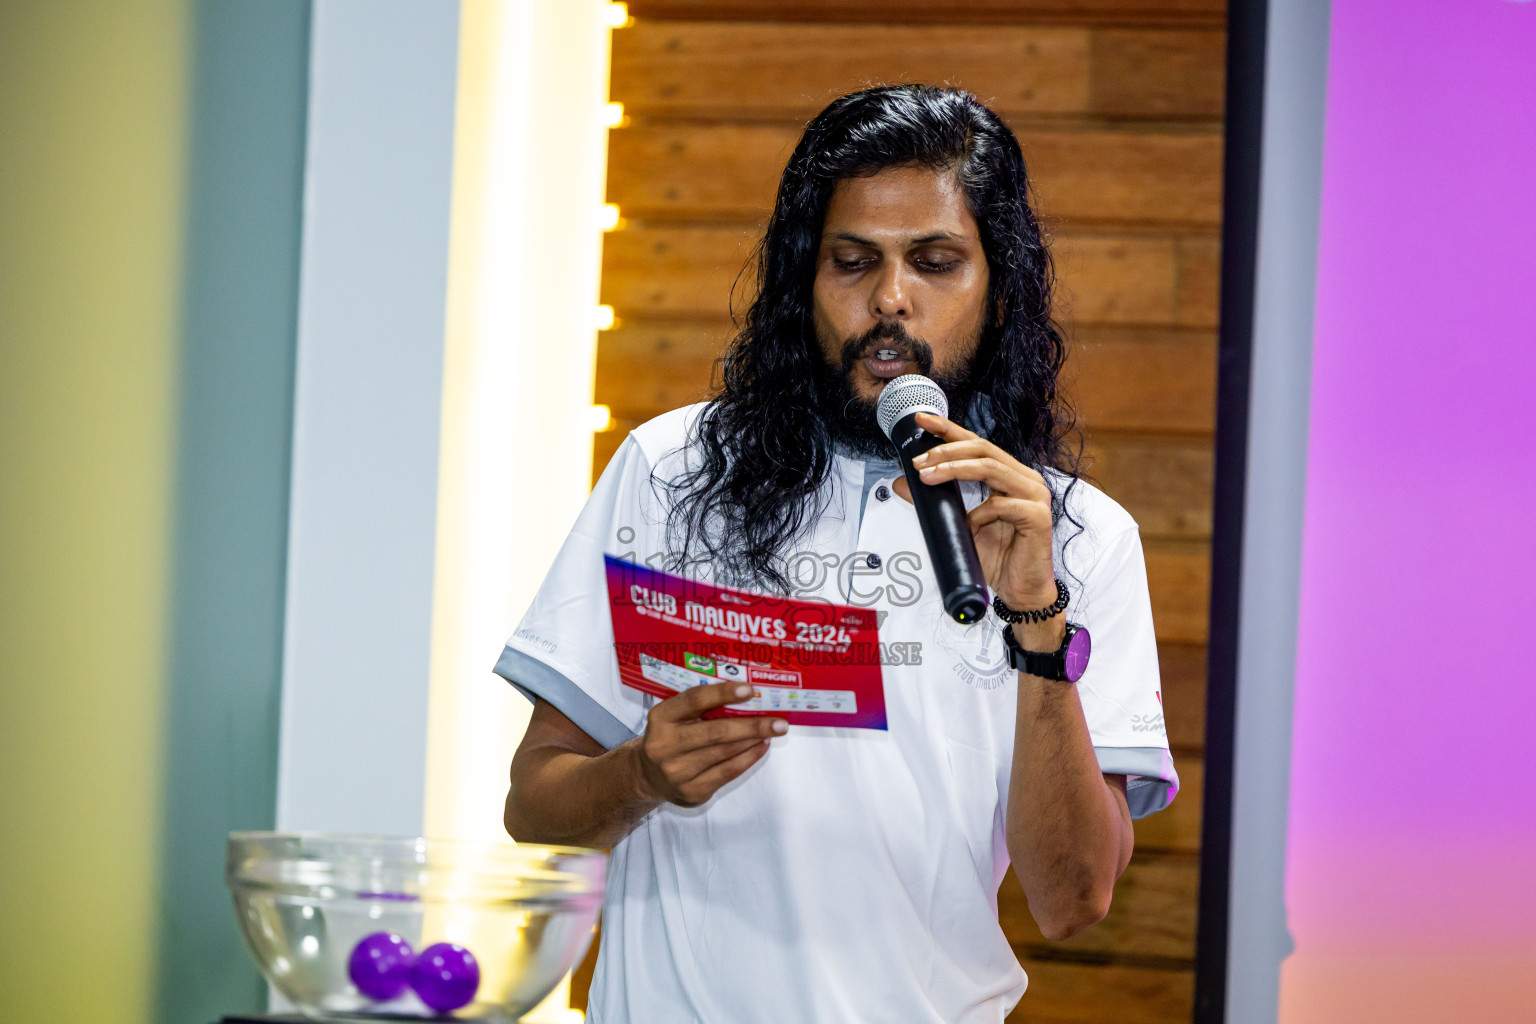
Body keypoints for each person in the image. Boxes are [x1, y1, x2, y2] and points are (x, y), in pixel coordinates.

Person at [497, 85, 1178, 1023]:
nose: (891, 300)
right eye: (852, 262)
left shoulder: (1079, 534)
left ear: (1000, 285)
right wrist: (642, 776)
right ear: (801, 282)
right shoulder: (670, 470)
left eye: (936, 263)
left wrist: (1035, 614)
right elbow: (534, 807)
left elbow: (1074, 901)